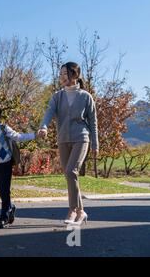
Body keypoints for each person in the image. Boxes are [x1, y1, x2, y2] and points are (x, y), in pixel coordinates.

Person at [38, 62, 99, 226]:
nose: (62, 77)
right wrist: (43, 126)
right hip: (63, 139)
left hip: (81, 138)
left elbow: (93, 122)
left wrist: (95, 144)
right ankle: (81, 211)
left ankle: (72, 210)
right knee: (69, 175)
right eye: (60, 74)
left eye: (65, 73)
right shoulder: (57, 97)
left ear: (75, 75)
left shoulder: (86, 97)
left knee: (71, 171)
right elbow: (48, 113)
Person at [0, 103, 36, 229]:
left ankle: (4, 217)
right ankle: (10, 207)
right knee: (0, 190)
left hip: (5, 163)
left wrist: (35, 135)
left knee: (5, 190)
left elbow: (18, 137)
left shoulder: (4, 129)